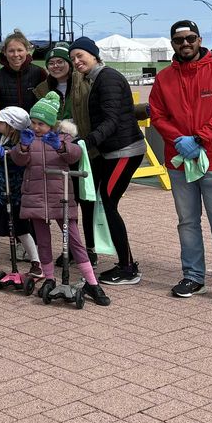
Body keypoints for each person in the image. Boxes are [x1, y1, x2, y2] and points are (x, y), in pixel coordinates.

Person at [148, 20, 212, 307]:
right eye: (179, 40)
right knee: (187, 222)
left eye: (190, 38)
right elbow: (157, 114)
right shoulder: (165, 78)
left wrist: (200, 138)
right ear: (172, 44)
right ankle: (193, 276)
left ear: (199, 40)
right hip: (179, 161)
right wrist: (179, 140)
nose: (185, 44)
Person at [10, 93, 109, 305]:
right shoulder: (28, 138)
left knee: (74, 241)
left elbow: (75, 154)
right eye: (33, 122)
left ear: (51, 124)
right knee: (43, 241)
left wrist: (59, 146)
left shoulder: (63, 137)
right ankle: (49, 278)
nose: (36, 127)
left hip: (60, 198)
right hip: (36, 197)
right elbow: (18, 160)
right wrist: (23, 147)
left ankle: (92, 282)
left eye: (41, 123)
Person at [68, 36, 147, 287]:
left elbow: (111, 120)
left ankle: (128, 267)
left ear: (94, 55)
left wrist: (87, 141)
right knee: (104, 202)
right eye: (73, 58)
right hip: (112, 150)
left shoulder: (107, 78)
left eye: (80, 55)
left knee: (109, 203)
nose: (76, 61)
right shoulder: (95, 78)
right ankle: (124, 263)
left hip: (124, 150)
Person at [36, 41, 96, 265]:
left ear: (69, 63)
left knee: (86, 201)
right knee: (66, 203)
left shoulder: (84, 81)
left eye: (60, 61)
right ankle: (69, 248)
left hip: (84, 148)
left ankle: (90, 249)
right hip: (57, 150)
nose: (55, 66)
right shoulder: (42, 89)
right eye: (51, 62)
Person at [0, 106, 40, 281]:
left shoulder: (21, 144)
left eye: (0, 122)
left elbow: (20, 161)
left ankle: (36, 263)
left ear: (11, 126)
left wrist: (7, 154)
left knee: (21, 229)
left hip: (12, 195)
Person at [0, 29, 46, 110]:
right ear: (4, 52)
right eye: (11, 51)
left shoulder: (39, 73)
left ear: (27, 51)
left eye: (20, 50)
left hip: (33, 118)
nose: (16, 54)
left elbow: (47, 102)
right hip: (7, 118)